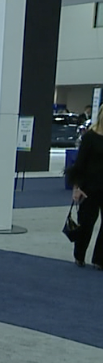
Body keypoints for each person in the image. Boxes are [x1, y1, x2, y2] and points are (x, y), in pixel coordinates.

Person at [67, 104, 103, 269]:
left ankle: (99, 259)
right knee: (86, 223)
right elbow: (80, 164)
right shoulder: (90, 137)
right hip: (89, 187)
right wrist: (77, 187)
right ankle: (79, 255)